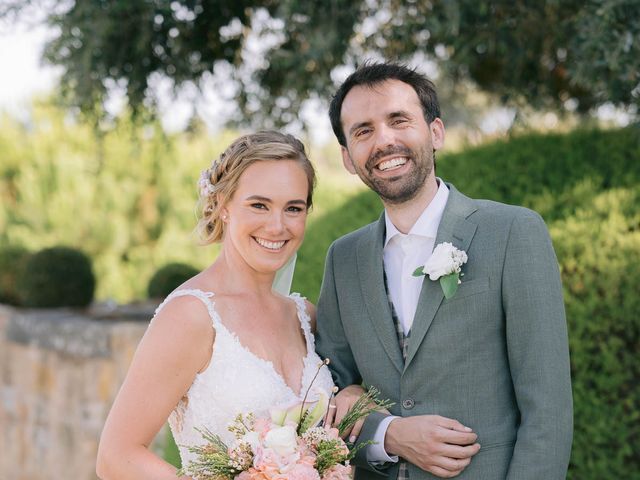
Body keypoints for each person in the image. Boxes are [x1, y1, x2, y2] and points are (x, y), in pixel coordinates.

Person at [316, 62, 573, 479]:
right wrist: (388, 434)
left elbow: (548, 412)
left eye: (399, 120)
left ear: (435, 132)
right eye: (363, 131)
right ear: (347, 158)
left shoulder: (513, 232)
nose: (384, 140)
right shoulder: (342, 258)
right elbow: (325, 395)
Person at [96, 131, 335, 479]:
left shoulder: (304, 317)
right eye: (259, 205)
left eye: (293, 208)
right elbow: (116, 457)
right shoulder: (191, 316)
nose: (277, 225)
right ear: (224, 205)